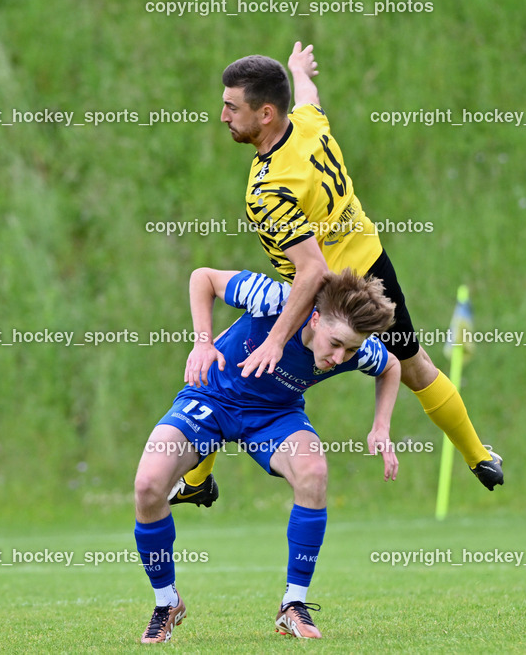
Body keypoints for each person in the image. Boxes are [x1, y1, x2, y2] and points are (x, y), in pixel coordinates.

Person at [170, 41, 502, 507]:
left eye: (231, 107)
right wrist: (297, 69)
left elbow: (313, 272)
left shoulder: (270, 188)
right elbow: (307, 94)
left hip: (320, 289)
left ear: (266, 113)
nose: (223, 115)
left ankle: (200, 478)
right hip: (372, 265)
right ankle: (478, 455)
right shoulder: (306, 122)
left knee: (221, 364)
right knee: (415, 366)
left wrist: (275, 337)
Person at [135, 265, 400, 642]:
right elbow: (202, 278)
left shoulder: (356, 348)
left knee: (314, 472)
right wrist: (202, 341)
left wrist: (382, 426)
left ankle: (294, 604)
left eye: (351, 349)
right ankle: (167, 603)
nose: (340, 357)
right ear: (314, 316)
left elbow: (390, 365)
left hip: (274, 416)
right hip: (211, 396)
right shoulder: (271, 298)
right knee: (148, 485)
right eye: (336, 343)